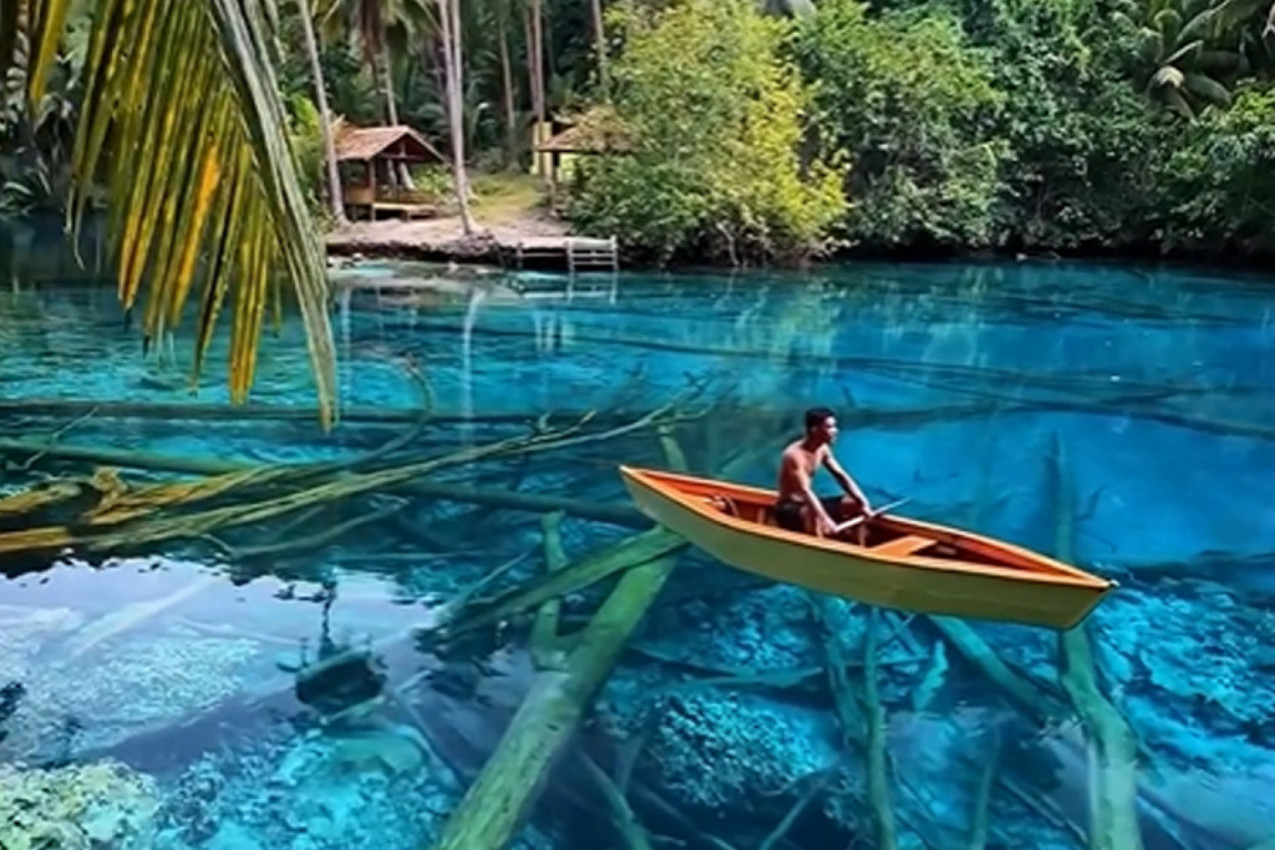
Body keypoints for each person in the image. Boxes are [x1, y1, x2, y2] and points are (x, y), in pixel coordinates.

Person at [774, 407, 873, 538]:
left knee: (853, 503)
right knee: (812, 512)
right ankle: (818, 543)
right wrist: (825, 518)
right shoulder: (793, 455)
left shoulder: (823, 449)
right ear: (814, 430)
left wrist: (863, 502)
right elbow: (806, 491)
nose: (835, 431)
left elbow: (841, 476)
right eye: (829, 427)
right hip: (789, 509)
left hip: (808, 503)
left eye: (834, 427)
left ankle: (855, 542)